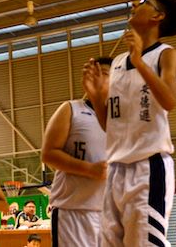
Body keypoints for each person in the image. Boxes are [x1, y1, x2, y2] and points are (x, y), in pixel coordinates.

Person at [82, 0, 176, 246]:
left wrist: (140, 62)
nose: (133, 4)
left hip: (148, 167)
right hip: (115, 169)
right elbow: (110, 125)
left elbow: (169, 100)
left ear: (158, 16)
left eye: (143, 2)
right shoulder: (118, 61)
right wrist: (96, 97)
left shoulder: (166, 54)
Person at [42, 57, 110, 246]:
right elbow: (48, 154)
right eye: (96, 73)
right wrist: (89, 169)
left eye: (105, 74)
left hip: (109, 213)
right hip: (72, 211)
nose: (99, 78)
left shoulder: (119, 117)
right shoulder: (71, 109)